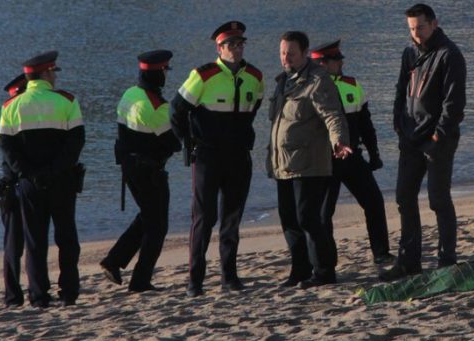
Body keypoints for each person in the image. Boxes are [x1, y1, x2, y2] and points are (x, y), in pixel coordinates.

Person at [171, 21, 264, 295]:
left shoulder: (256, 76)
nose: (236, 48)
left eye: (240, 43)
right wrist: (189, 142)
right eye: (231, 44)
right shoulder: (203, 75)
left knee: (232, 218)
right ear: (219, 47)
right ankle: (195, 280)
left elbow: (254, 108)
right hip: (208, 158)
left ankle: (229, 276)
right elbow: (176, 110)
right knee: (204, 218)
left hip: (238, 157)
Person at [0, 50, 85, 308]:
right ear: (46, 74)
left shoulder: (11, 106)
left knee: (35, 241)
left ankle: (39, 296)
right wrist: (55, 170)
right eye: (53, 72)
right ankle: (68, 292)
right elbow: (76, 142)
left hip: (29, 184)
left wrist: (28, 173)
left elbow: (6, 147)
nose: (55, 77)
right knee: (67, 238)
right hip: (62, 181)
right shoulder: (67, 101)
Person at [385, 3, 466, 279]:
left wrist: (438, 134)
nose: (416, 33)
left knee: (438, 200)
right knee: (404, 198)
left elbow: (454, 103)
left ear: (434, 23)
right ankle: (409, 260)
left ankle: (447, 259)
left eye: (420, 27)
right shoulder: (409, 53)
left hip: (437, 140)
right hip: (410, 137)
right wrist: (398, 121)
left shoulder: (449, 55)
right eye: (411, 28)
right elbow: (400, 90)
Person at [268, 30, 351, 289]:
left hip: (309, 164)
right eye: (282, 53)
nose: (286, 58)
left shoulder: (318, 80)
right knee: (289, 220)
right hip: (282, 163)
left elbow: (332, 115)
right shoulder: (283, 81)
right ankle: (300, 271)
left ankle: (325, 271)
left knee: (308, 218)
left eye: (291, 53)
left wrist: (339, 140)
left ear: (305, 53)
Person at [100, 50, 181, 294]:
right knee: (157, 226)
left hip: (130, 168)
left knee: (147, 216)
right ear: (158, 74)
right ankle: (140, 281)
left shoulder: (130, 94)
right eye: (165, 71)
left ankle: (114, 260)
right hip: (150, 172)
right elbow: (173, 142)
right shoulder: (156, 105)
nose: (166, 75)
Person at [311, 39, 394, 273]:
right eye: (336, 60)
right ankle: (328, 262)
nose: (341, 63)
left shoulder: (353, 85)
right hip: (324, 160)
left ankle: (381, 253)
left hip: (352, 157)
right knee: (324, 213)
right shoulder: (310, 87)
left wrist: (374, 153)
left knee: (374, 202)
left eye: (340, 59)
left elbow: (366, 124)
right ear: (323, 64)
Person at [0, 73, 27, 308]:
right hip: (15, 187)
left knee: (13, 246)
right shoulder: (13, 113)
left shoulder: (9, 114)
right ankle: (13, 295)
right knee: (15, 245)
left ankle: (13, 295)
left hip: (13, 186)